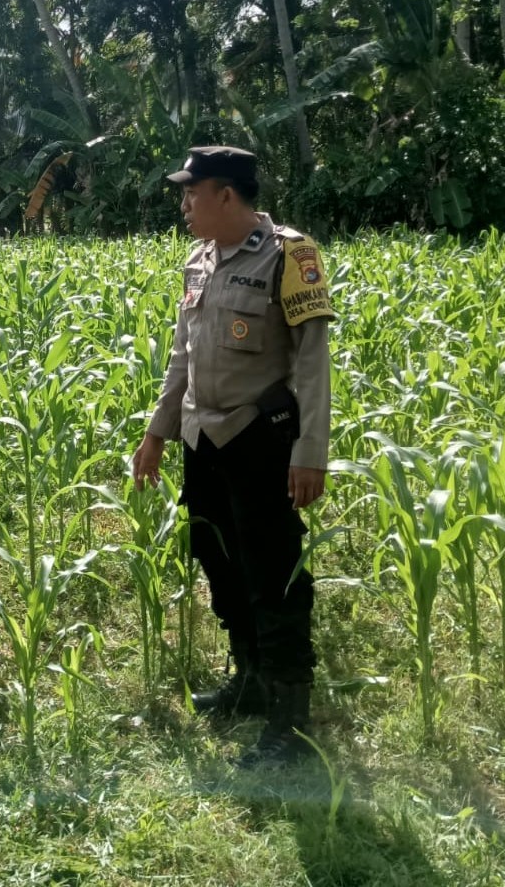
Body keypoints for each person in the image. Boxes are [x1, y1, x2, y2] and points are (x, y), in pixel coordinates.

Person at [131, 145, 336, 764]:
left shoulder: (291, 256)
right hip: (203, 439)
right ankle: (248, 678)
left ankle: (288, 715)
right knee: (218, 560)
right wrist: (157, 432)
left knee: (272, 572)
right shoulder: (199, 261)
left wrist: (311, 451)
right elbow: (181, 357)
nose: (185, 203)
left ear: (227, 195)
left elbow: (311, 360)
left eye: (193, 192)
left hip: (259, 438)